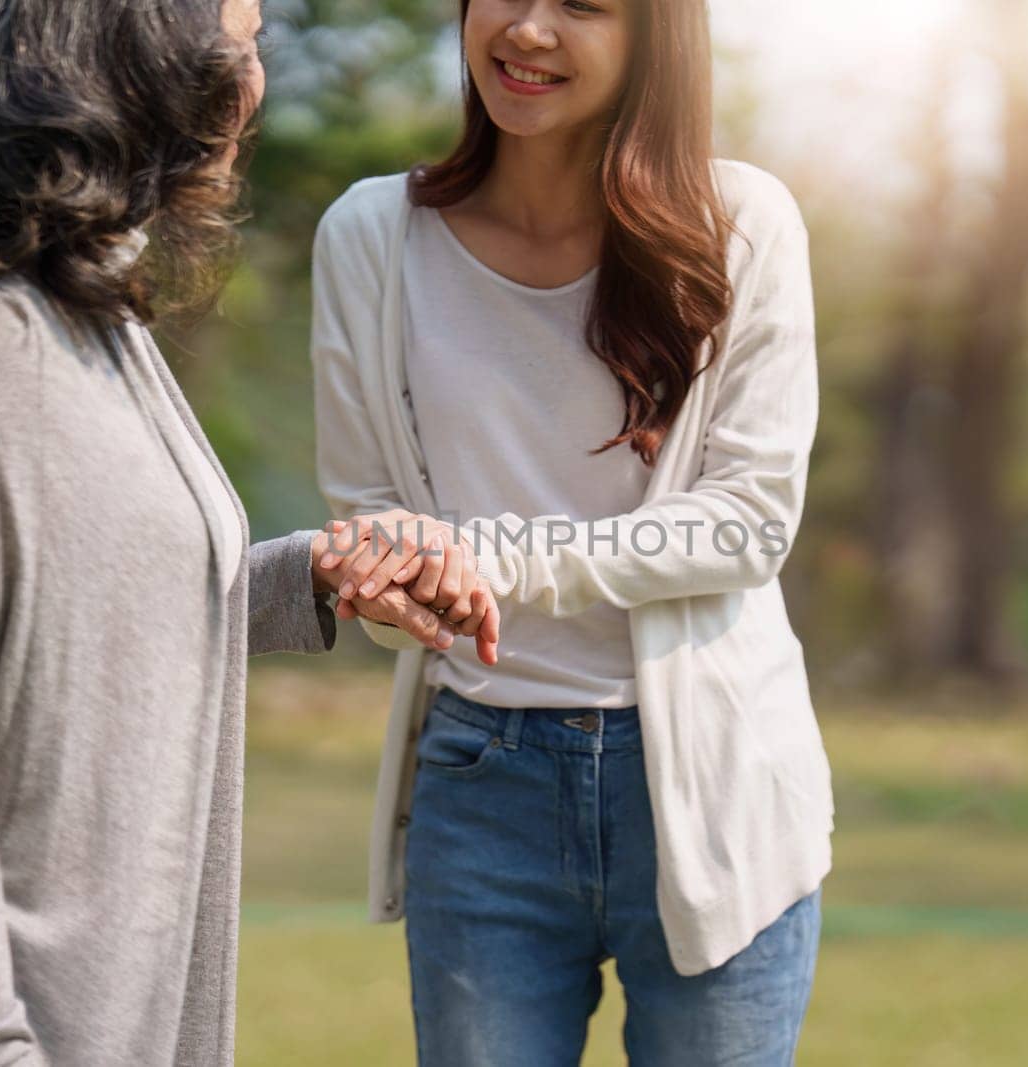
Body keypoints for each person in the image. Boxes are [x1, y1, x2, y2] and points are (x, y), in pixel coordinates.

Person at [0, 0, 497, 1063]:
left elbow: (84, 614)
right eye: (235, 47)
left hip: (92, 987)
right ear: (123, 64)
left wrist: (312, 579)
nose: (251, 86)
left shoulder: (89, 309)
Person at [308, 0, 834, 1061]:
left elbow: (747, 522)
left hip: (712, 782)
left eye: (582, 5)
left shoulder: (743, 223)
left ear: (654, 35)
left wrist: (486, 561)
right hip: (480, 774)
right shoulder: (369, 235)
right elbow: (369, 509)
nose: (528, 29)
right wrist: (389, 586)